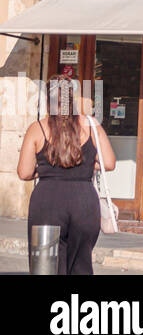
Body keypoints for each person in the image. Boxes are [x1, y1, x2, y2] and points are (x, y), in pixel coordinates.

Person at [16, 76, 116, 275]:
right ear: (73, 99)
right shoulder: (91, 125)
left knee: (45, 268)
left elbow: (24, 172)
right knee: (81, 264)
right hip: (84, 202)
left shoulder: (38, 128)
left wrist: (47, 169)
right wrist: (84, 165)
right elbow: (109, 163)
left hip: (47, 201)